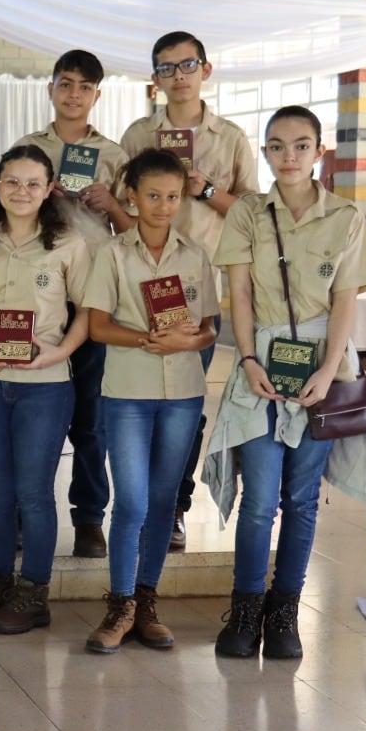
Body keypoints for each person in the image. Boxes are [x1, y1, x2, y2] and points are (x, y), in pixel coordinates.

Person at [209, 106, 366, 659]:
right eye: (277, 146)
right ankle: (245, 610)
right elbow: (239, 293)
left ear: (319, 151)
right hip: (261, 363)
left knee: (303, 500)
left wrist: (328, 372)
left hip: (322, 367)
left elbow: (345, 301)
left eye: (301, 145)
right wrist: (248, 361)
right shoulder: (247, 213)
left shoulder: (345, 217)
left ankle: (285, 612)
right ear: (264, 152)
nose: (289, 156)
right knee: (260, 499)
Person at [120, 31, 258, 549]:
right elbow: (122, 206)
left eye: (187, 65)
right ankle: (134, 508)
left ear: (206, 69)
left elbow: (251, 214)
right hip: (138, 288)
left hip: (198, 290)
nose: (178, 76)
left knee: (184, 407)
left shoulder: (230, 137)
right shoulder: (138, 134)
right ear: (154, 77)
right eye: (166, 67)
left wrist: (205, 189)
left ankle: (174, 507)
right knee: (134, 404)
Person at [0, 145, 89, 635]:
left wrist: (59, 352)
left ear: (49, 189)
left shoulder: (69, 244)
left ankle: (33, 592)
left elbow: (87, 311)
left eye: (33, 183)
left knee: (33, 492)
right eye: (12, 181)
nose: (22, 191)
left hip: (45, 386)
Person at [81, 149, 215, 653]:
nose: (163, 206)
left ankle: (146, 603)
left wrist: (192, 340)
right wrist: (146, 340)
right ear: (131, 196)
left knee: (162, 501)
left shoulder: (195, 255)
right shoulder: (112, 253)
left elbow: (209, 329)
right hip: (128, 394)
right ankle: (119, 606)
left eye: (173, 196)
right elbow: (97, 326)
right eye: (153, 195)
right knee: (132, 501)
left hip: (183, 394)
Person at [13, 51, 131, 559]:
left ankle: (89, 518)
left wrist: (112, 205)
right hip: (38, 295)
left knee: (91, 417)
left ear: (96, 95)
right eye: (66, 83)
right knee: (31, 414)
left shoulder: (113, 154)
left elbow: (134, 230)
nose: (74, 94)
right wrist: (42, 196)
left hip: (94, 297)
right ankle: (23, 513)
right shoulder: (27, 149)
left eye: (85, 86)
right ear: (51, 89)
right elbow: (6, 211)